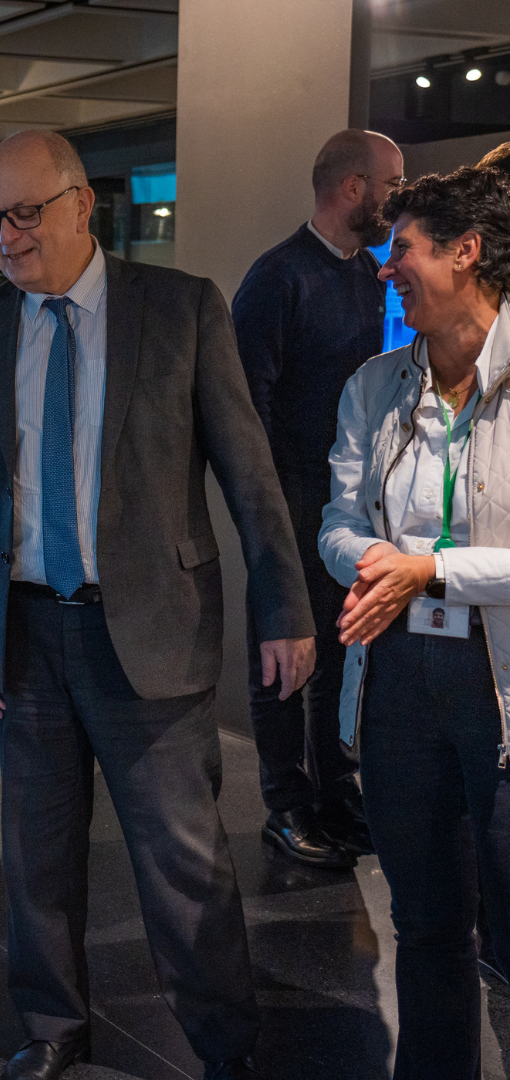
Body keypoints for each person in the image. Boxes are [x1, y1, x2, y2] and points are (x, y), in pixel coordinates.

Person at [0, 129, 316, 1080]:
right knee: (35, 856)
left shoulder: (179, 310)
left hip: (149, 631)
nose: (5, 238)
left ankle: (227, 1047)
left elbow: (249, 473)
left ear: (82, 202)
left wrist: (285, 606)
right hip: (18, 633)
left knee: (183, 865)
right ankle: (53, 1028)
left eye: (24, 214)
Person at [320, 167, 510, 1079]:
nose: (386, 266)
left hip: (498, 687)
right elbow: (337, 522)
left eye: (403, 247)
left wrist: (427, 567)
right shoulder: (374, 385)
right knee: (426, 925)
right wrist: (376, 567)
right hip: (396, 678)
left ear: (465, 251)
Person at [232, 129, 404, 867]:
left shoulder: (368, 276)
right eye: (394, 183)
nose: (402, 196)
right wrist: (268, 509)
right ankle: (286, 804)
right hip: (292, 497)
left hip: (347, 499)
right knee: (281, 657)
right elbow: (248, 406)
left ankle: (336, 792)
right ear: (355, 187)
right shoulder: (278, 277)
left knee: (340, 652)